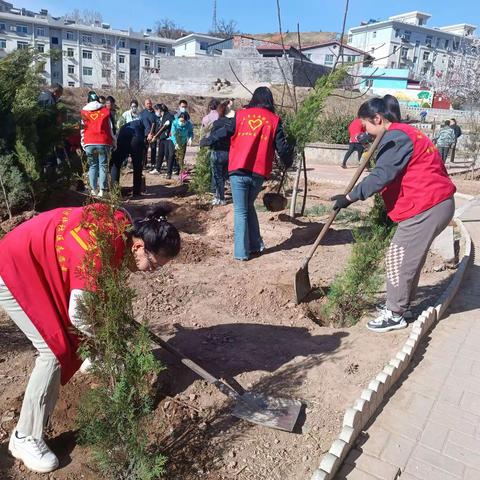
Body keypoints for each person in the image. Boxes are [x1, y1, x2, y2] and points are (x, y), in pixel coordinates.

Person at [0, 203, 181, 473]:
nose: (151, 272)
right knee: (53, 351)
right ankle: (24, 437)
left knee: (71, 336)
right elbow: (82, 314)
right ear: (138, 247)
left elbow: (96, 290)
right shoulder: (99, 249)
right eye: (153, 265)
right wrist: (109, 349)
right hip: (15, 268)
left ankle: (87, 357)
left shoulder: (122, 228)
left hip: (39, 263)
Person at [331, 96, 456, 333]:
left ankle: (395, 314)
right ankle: (402, 306)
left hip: (426, 206)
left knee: (397, 258)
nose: (365, 130)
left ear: (377, 118)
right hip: (434, 203)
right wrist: (371, 141)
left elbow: (381, 176)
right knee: (409, 259)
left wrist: (348, 198)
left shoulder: (396, 136)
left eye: (366, 125)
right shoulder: (406, 132)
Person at [203, 86, 295, 260]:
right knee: (248, 205)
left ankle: (240, 253)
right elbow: (282, 147)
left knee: (240, 210)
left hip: (238, 169)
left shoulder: (241, 115)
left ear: (254, 99)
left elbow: (225, 131)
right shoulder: (274, 120)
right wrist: (288, 162)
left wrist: (209, 140)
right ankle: (256, 245)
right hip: (258, 173)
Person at [80, 91, 116, 197]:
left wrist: (83, 143)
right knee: (103, 166)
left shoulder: (84, 112)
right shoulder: (105, 111)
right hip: (103, 142)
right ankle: (103, 191)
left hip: (89, 142)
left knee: (92, 166)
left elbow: (82, 130)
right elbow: (111, 128)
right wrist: (114, 142)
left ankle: (93, 190)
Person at [200, 100, 233, 205]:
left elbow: (212, 137)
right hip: (228, 152)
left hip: (218, 152)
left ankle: (220, 198)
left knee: (217, 176)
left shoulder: (217, 123)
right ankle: (221, 197)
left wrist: (205, 142)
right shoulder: (232, 124)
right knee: (224, 175)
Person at [111, 118, 145, 197]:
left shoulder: (124, 126)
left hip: (122, 139)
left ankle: (114, 191)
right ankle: (136, 192)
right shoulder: (142, 125)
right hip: (136, 139)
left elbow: (117, 136)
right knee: (137, 165)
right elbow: (144, 139)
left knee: (116, 164)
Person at [150, 104, 175, 176]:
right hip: (162, 138)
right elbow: (160, 128)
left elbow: (164, 127)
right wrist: (155, 136)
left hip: (168, 139)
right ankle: (157, 169)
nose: (155, 112)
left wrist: (155, 136)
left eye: (155, 110)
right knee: (160, 154)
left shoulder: (168, 116)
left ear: (159, 110)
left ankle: (170, 170)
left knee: (168, 154)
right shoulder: (162, 117)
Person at [168, 112, 194, 181]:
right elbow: (173, 134)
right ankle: (169, 173)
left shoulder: (188, 124)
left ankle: (181, 174)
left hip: (183, 141)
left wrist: (190, 138)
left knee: (181, 157)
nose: (182, 122)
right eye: (181, 121)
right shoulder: (175, 123)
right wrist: (176, 143)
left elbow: (191, 132)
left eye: (183, 121)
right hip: (173, 141)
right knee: (171, 156)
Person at [139, 98, 157, 169]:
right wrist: (147, 133)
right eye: (147, 104)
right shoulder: (142, 113)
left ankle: (153, 164)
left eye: (150, 103)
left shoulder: (155, 113)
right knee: (144, 150)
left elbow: (157, 123)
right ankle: (143, 164)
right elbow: (141, 124)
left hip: (153, 135)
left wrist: (152, 133)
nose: (149, 105)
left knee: (153, 149)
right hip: (145, 134)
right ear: (145, 105)